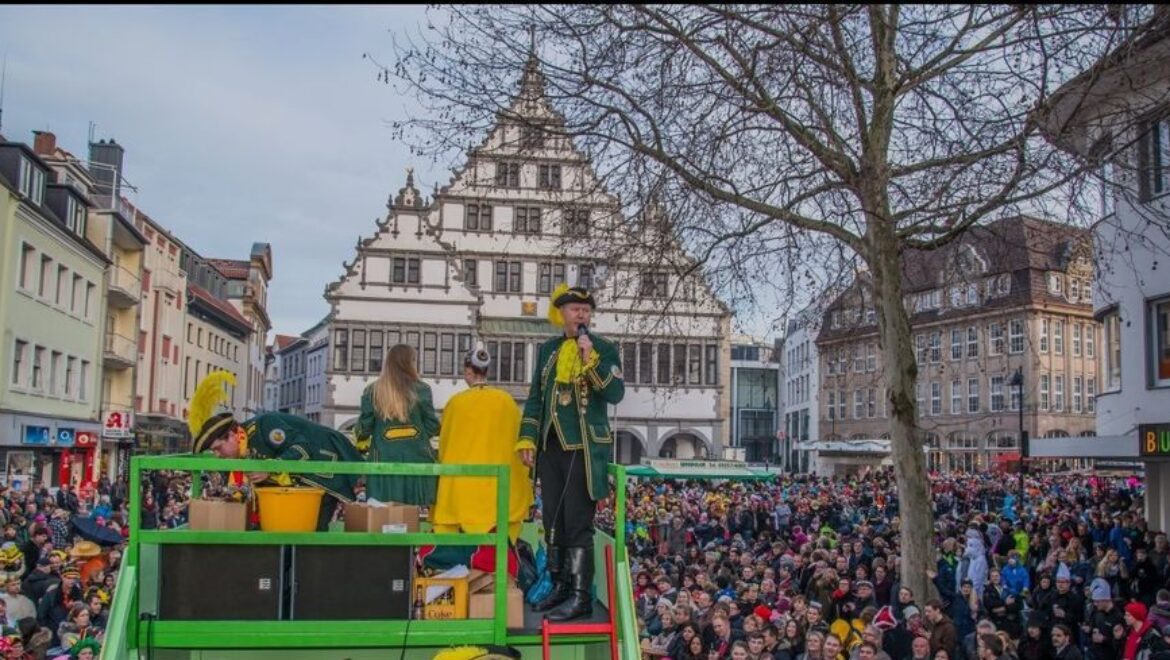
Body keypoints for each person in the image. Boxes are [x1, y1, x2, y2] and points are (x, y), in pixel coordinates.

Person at [519, 284, 624, 622]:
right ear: (561, 313)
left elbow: (615, 393)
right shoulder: (548, 349)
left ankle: (580, 594)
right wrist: (527, 440)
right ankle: (560, 585)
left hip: (583, 446)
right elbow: (536, 397)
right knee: (552, 520)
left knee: (577, 523)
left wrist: (589, 361)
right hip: (551, 447)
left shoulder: (603, 349)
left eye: (586, 309)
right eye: (574, 308)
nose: (581, 314)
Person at [188, 371, 365, 531]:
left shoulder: (265, 426)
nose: (218, 455)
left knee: (310, 530)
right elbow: (238, 491)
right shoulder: (234, 455)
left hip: (320, 468)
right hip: (292, 486)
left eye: (218, 448)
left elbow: (302, 448)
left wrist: (269, 469)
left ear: (232, 435)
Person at [432, 343, 533, 543]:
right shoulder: (507, 402)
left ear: (468, 371)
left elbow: (444, 446)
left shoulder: (455, 403)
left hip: (462, 492)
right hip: (500, 492)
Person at [355, 344, 440, 506]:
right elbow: (433, 425)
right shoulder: (422, 389)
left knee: (382, 514)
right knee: (413, 515)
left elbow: (363, 429)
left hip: (382, 461)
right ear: (410, 363)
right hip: (417, 459)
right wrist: (416, 436)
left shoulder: (372, 391)